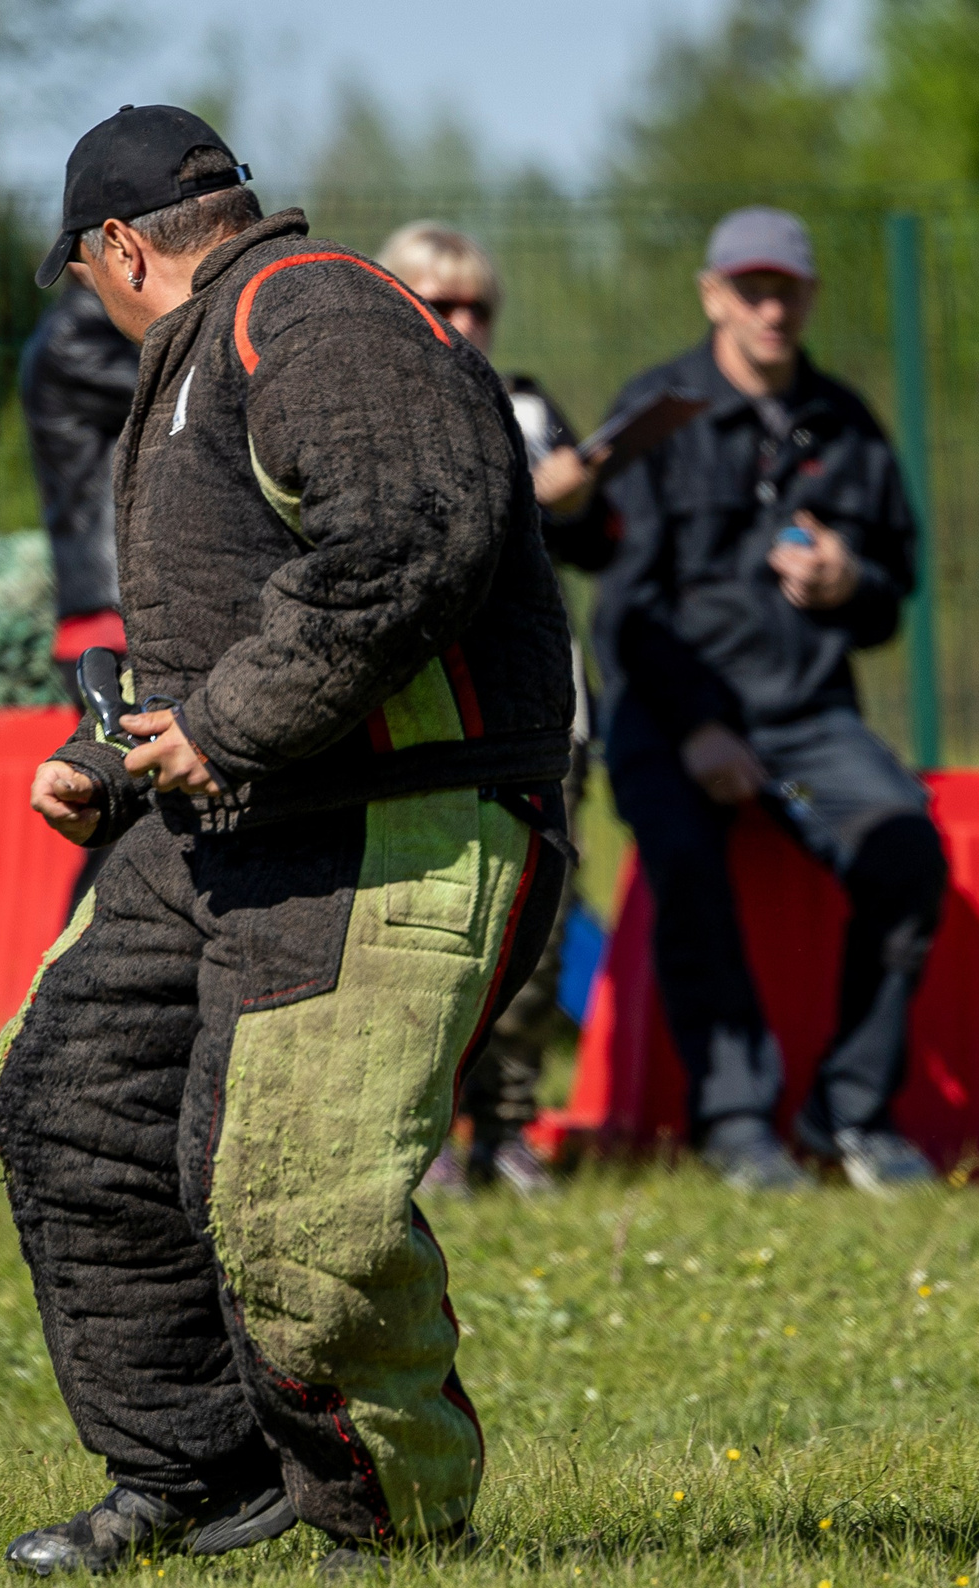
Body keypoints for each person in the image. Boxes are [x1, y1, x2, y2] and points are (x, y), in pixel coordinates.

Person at [0, 105, 575, 1580]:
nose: (96, 306)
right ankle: (193, 1464)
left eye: (89, 276)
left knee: (286, 1190)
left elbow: (408, 533)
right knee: (72, 1102)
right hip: (223, 818)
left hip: (396, 819)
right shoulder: (207, 357)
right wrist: (109, 754)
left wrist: (232, 716)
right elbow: (223, 618)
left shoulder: (314, 313)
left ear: (122, 246)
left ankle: (386, 1515)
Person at [594, 206, 945, 1195]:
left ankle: (851, 1112)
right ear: (712, 295)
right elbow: (618, 609)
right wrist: (699, 726)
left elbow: (892, 592)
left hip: (803, 725)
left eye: (785, 288)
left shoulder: (845, 424)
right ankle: (737, 1120)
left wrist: (849, 579)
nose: (768, 306)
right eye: (749, 288)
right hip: (669, 713)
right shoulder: (655, 411)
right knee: (690, 869)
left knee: (903, 850)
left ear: (808, 297)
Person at [376, 221, 610, 1198]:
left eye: (477, 303)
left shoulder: (526, 403)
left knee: (537, 920)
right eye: (440, 298)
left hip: (542, 700)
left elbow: (599, 543)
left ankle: (508, 1124)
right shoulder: (369, 405)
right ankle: (421, 1124)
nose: (461, 319)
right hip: (427, 701)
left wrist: (579, 497)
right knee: (427, 919)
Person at [17, 280, 138, 687]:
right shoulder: (74, 335)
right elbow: (182, 391)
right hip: (112, 613)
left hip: (115, 611)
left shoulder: (85, 331)